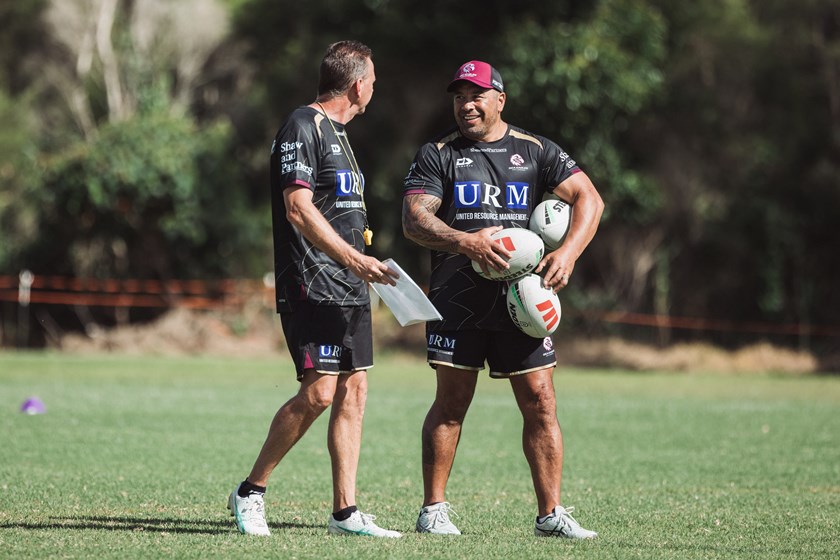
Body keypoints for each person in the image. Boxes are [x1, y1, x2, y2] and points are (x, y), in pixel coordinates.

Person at [402, 60, 604, 539]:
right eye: (458, 97)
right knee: (451, 403)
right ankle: (433, 511)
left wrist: (568, 253)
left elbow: (589, 198)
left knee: (541, 402)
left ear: (500, 99)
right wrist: (464, 241)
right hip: (458, 299)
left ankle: (550, 515)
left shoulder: (536, 151)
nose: (466, 105)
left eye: (475, 96)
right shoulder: (437, 154)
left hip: (524, 300)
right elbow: (413, 220)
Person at [228, 40, 401, 538]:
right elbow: (298, 208)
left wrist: (361, 263)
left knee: (354, 390)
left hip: (351, 285)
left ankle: (345, 512)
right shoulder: (302, 125)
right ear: (358, 85)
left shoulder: (342, 136)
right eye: (373, 81)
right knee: (320, 392)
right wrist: (351, 257)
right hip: (313, 282)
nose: (375, 89)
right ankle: (250, 491)